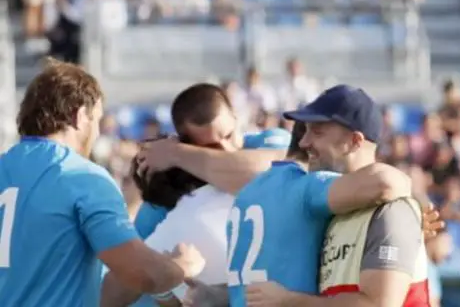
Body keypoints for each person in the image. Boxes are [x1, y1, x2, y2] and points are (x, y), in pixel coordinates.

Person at [0, 59, 204, 306]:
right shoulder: (82, 177)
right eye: (96, 119)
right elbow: (141, 273)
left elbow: (107, 292)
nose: (96, 133)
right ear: (80, 116)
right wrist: (181, 267)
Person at [104, 83, 292, 306]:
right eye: (211, 146)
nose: (227, 149)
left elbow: (270, 175)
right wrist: (171, 272)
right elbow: (113, 289)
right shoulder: (174, 195)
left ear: (235, 115)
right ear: (190, 144)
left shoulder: (266, 141)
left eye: (229, 135)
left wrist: (175, 153)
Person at [245, 84, 430, 306]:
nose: (303, 143)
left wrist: (288, 301)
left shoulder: (391, 210)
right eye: (305, 131)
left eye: (317, 132)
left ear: (354, 141)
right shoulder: (330, 210)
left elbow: (378, 305)